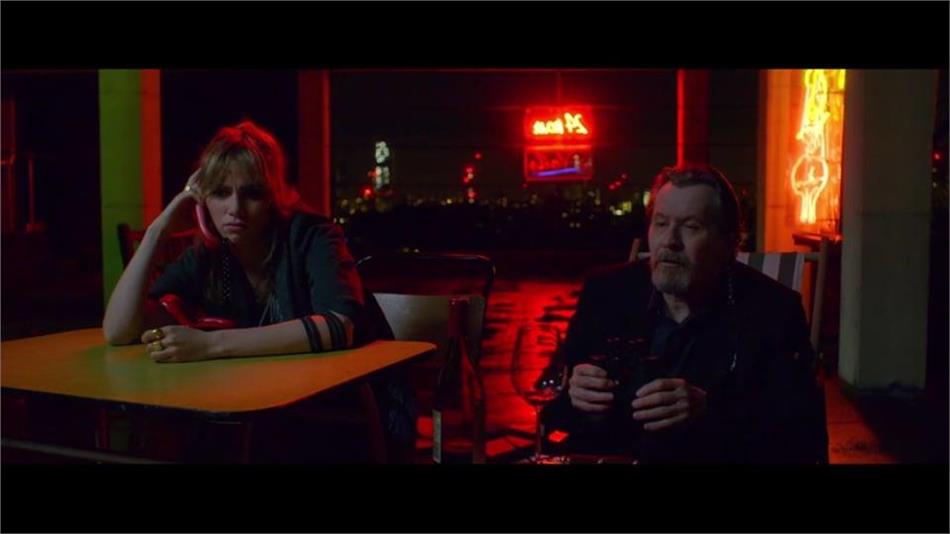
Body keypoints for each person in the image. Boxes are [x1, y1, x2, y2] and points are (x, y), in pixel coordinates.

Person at [102, 120, 412, 461]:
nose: (235, 208)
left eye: (252, 193)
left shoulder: (311, 235)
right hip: (270, 417)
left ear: (272, 197)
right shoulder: (210, 255)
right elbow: (119, 331)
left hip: (348, 414)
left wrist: (209, 345)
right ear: (202, 201)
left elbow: (338, 326)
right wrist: (158, 230)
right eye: (221, 193)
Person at [546, 164, 828, 463]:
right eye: (661, 223)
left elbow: (801, 436)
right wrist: (575, 397)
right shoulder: (606, 294)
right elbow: (553, 412)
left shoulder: (772, 311)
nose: (670, 241)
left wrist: (711, 411)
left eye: (691, 226)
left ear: (728, 243)